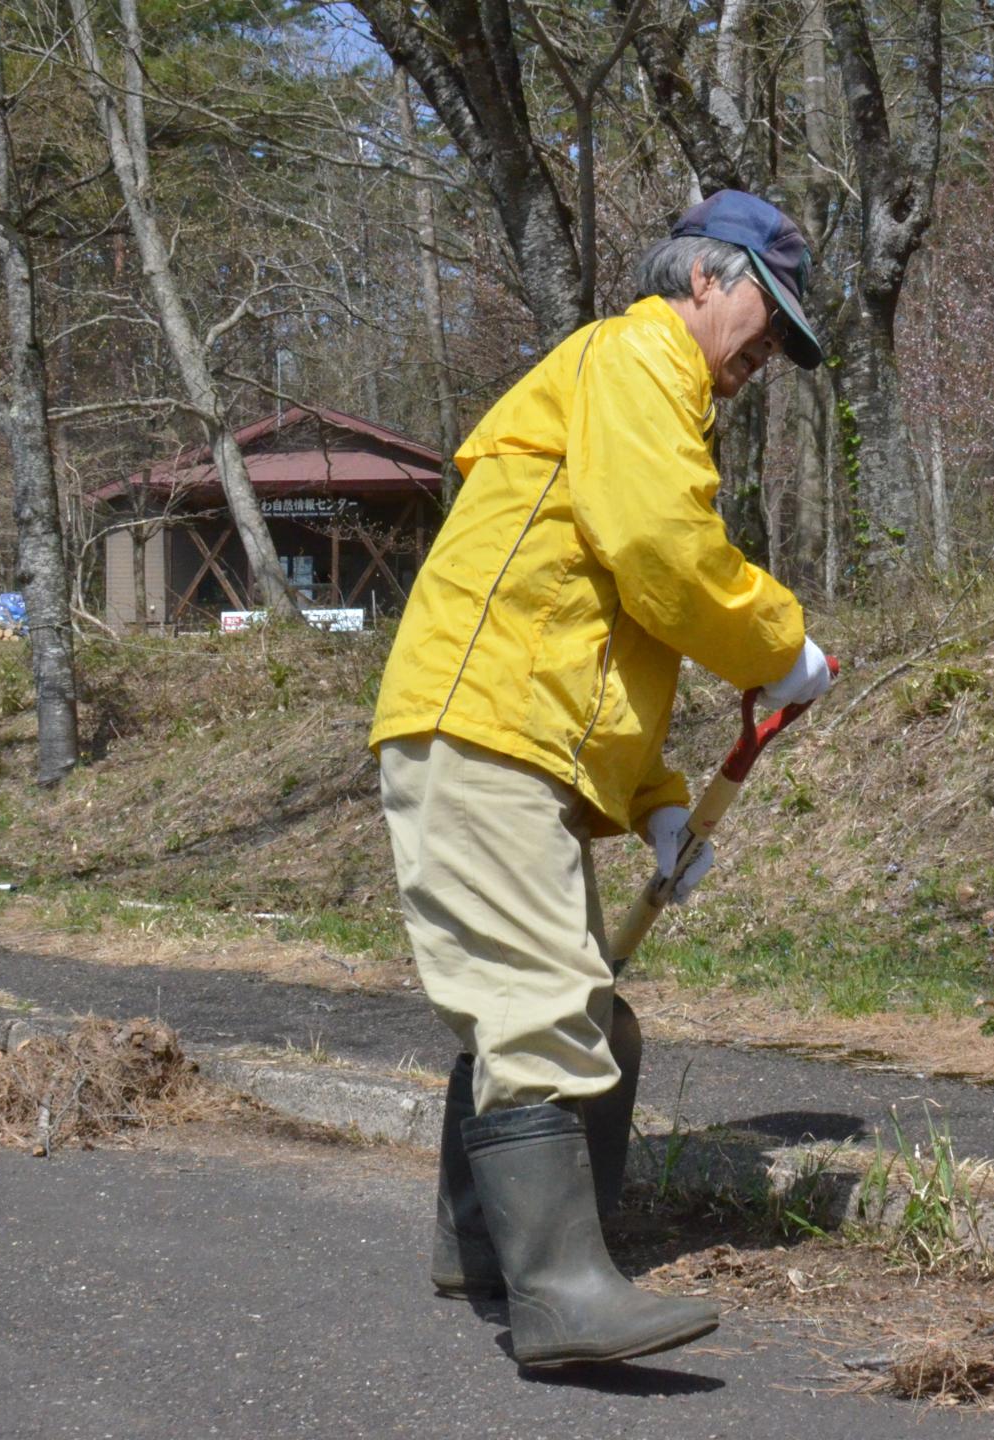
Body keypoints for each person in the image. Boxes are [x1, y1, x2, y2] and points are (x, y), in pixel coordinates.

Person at [368, 190, 836, 1368]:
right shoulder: (634, 354)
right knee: (542, 1006)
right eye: (765, 317)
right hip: (481, 731)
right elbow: (663, 557)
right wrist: (779, 646)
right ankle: (563, 1295)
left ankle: (484, 1248)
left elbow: (599, 639)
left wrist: (656, 800)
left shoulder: (638, 386)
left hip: (513, 735)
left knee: (576, 1009)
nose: (767, 350)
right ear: (704, 281)